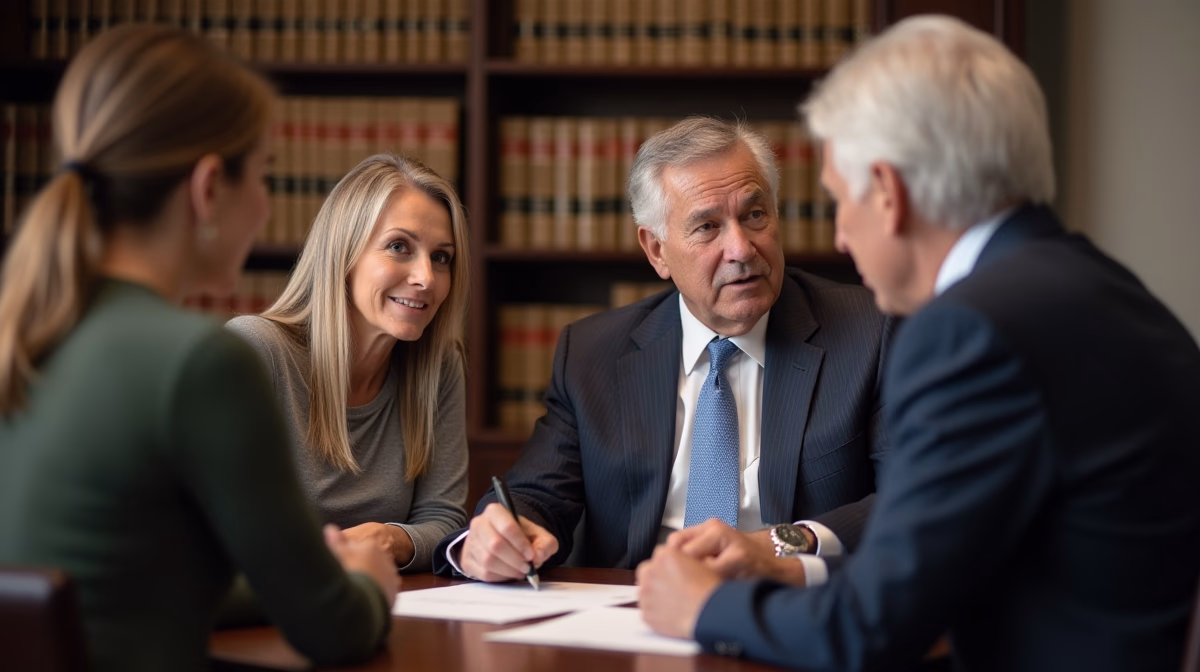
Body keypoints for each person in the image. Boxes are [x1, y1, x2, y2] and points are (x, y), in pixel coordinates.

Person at [636, 15, 1200, 672]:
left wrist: (703, 607)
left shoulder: (971, 332)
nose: (842, 239)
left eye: (839, 201)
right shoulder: (1103, 287)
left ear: (888, 193)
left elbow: (870, 629)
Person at [0, 25, 397, 672]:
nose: (268, 210)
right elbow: (335, 630)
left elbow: (141, 586)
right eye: (265, 177)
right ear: (209, 187)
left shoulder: (26, 330)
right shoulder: (200, 362)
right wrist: (368, 583)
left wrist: (301, 574)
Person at [435, 116, 893, 584]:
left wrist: (781, 545)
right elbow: (535, 496)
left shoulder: (868, 333)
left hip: (797, 610)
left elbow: (913, 495)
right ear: (656, 250)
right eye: (707, 227)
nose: (741, 247)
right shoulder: (593, 354)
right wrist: (502, 535)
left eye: (755, 215)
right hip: (638, 618)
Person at [227, 153, 470, 572]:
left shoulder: (439, 366)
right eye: (399, 247)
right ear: (344, 253)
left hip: (382, 607)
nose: (426, 278)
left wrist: (391, 539)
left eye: (441, 257)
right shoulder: (256, 350)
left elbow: (445, 522)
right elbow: (219, 532)